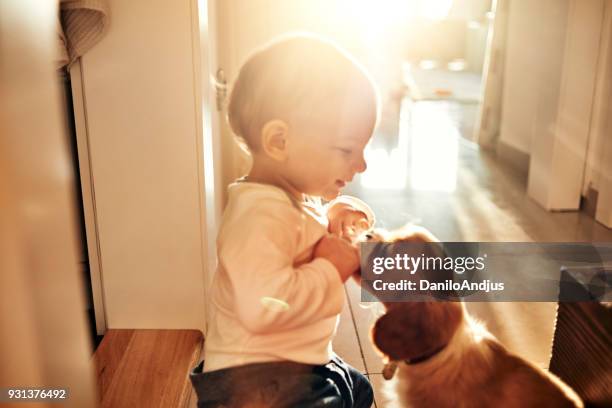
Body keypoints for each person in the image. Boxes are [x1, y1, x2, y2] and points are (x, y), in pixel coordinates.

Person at [190, 33, 379, 408]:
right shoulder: (257, 219)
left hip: (294, 365)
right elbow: (263, 308)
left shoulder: (287, 197)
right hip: (256, 385)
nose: (360, 166)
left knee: (359, 390)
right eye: (346, 149)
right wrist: (329, 268)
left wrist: (334, 216)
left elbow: (300, 233)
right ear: (279, 141)